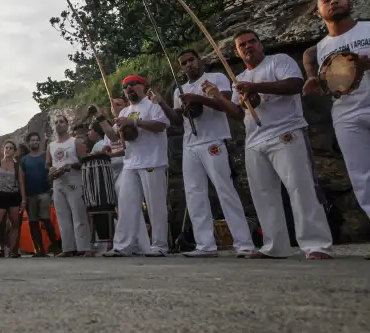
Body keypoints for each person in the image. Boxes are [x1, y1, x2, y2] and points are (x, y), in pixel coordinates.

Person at [208, 29, 332, 260]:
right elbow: (237, 112)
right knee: (263, 194)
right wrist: (218, 97)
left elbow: (295, 84)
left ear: (260, 44)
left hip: (286, 133)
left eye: (251, 42)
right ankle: (275, 246)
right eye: (241, 45)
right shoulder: (240, 78)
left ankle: (316, 244)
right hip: (254, 139)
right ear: (237, 51)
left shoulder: (279, 61)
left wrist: (256, 88)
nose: (247, 47)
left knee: (299, 187)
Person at [153, 50, 255, 258]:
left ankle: (244, 243)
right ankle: (205, 245)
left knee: (224, 189)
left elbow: (226, 104)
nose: (188, 65)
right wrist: (162, 102)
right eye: (183, 63)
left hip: (213, 140)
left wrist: (198, 98)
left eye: (191, 60)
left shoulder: (216, 78)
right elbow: (176, 120)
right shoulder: (179, 90)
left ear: (199, 61)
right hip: (190, 144)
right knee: (194, 193)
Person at [303, 0, 370, 259]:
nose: (334, 2)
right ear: (319, 12)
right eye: (326, 1)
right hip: (346, 113)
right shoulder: (320, 49)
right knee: (362, 176)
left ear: (348, 2)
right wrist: (315, 84)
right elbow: (327, 86)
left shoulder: (367, 29)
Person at [104, 76, 170, 257]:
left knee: (155, 205)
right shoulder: (124, 111)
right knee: (126, 204)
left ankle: (159, 245)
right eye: (125, 86)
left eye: (133, 84)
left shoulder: (153, 104)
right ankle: (122, 246)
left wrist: (134, 122)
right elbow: (116, 137)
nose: (129, 88)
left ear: (143, 86)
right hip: (131, 162)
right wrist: (104, 121)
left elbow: (161, 125)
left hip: (152, 160)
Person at [46, 115, 92, 257]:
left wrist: (71, 165)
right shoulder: (51, 145)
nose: (58, 124)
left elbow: (85, 161)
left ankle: (84, 248)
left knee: (78, 213)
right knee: (62, 216)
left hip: (74, 178)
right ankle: (67, 248)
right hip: (58, 181)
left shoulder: (75, 142)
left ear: (67, 124)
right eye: (56, 122)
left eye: (61, 122)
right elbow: (48, 163)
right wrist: (51, 170)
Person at [0, 140, 27, 258]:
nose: (8, 150)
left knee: (14, 223)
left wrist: (23, 200)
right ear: (3, 150)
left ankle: (13, 251)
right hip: (0, 197)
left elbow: (21, 183)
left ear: (14, 151)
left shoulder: (17, 165)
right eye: (6, 148)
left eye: (11, 148)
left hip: (14, 196)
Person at [20, 132, 58, 257]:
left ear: (40, 142)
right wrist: (23, 196)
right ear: (28, 143)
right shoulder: (24, 160)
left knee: (46, 220)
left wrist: (52, 189)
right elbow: (22, 179)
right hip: (30, 195)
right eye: (32, 140)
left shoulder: (45, 156)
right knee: (33, 222)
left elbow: (51, 171)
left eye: (37, 140)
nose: (35, 142)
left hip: (44, 193)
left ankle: (56, 248)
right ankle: (39, 250)